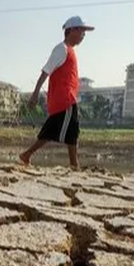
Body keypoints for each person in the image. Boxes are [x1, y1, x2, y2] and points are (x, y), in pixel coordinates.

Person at [19, 16, 94, 169]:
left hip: (64, 98)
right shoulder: (62, 49)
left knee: (53, 130)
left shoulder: (70, 50)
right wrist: (35, 93)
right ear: (71, 30)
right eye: (81, 31)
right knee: (71, 131)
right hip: (65, 99)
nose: (83, 35)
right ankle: (74, 165)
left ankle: (26, 155)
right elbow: (45, 71)